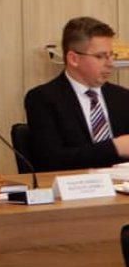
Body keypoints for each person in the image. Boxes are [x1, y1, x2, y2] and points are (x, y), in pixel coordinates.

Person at [24, 16, 129, 171]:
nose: (110, 63)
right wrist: (114, 147)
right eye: (100, 56)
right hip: (72, 184)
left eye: (112, 55)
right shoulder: (43, 99)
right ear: (74, 59)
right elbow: (51, 160)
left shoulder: (123, 97)